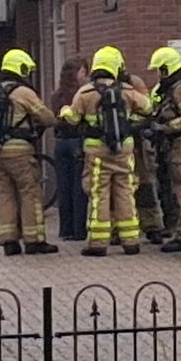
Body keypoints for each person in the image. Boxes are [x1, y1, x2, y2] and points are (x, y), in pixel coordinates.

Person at [59, 46, 152, 257]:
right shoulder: (127, 91)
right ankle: (131, 241)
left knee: (99, 194)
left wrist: (64, 110)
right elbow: (147, 108)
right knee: (125, 193)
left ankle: (98, 243)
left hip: (97, 152)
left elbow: (73, 119)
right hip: (123, 150)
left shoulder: (86, 92)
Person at [0, 49, 59, 256]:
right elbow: (46, 117)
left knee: (5, 195)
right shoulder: (23, 92)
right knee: (30, 192)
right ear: (20, 68)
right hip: (20, 150)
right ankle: (34, 240)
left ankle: (9, 241)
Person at [147, 47, 181, 253]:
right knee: (180, 189)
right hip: (176, 145)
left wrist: (165, 128)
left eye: (158, 70)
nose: (157, 75)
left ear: (166, 68)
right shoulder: (172, 89)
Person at [124, 69, 168, 244]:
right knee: (121, 189)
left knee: (144, 186)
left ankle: (152, 226)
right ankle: (120, 229)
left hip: (138, 145)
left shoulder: (133, 82)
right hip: (120, 146)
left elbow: (148, 109)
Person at [51, 57, 89, 242]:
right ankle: (78, 230)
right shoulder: (81, 94)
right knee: (78, 188)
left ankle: (65, 230)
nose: (86, 76)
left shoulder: (57, 95)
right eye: (83, 72)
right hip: (76, 142)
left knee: (63, 187)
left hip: (60, 143)